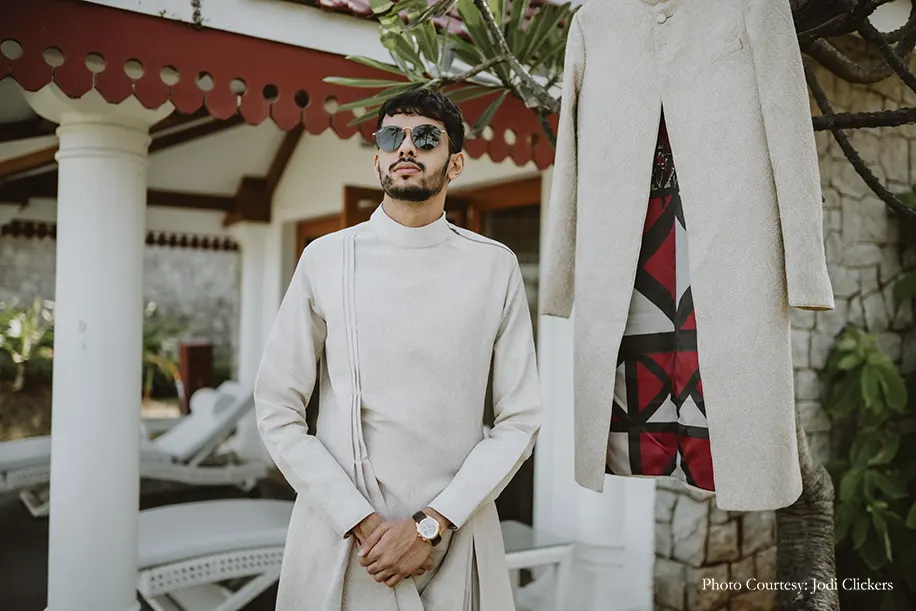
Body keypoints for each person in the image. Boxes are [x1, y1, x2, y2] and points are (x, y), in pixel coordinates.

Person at [253, 88, 543, 611]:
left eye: (426, 137)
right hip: (345, 539)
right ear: (378, 158)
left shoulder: (494, 267)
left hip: (456, 535)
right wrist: (364, 525)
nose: (407, 147)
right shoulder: (327, 258)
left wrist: (431, 525)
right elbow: (277, 407)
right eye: (393, 137)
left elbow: (520, 420)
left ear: (455, 163)